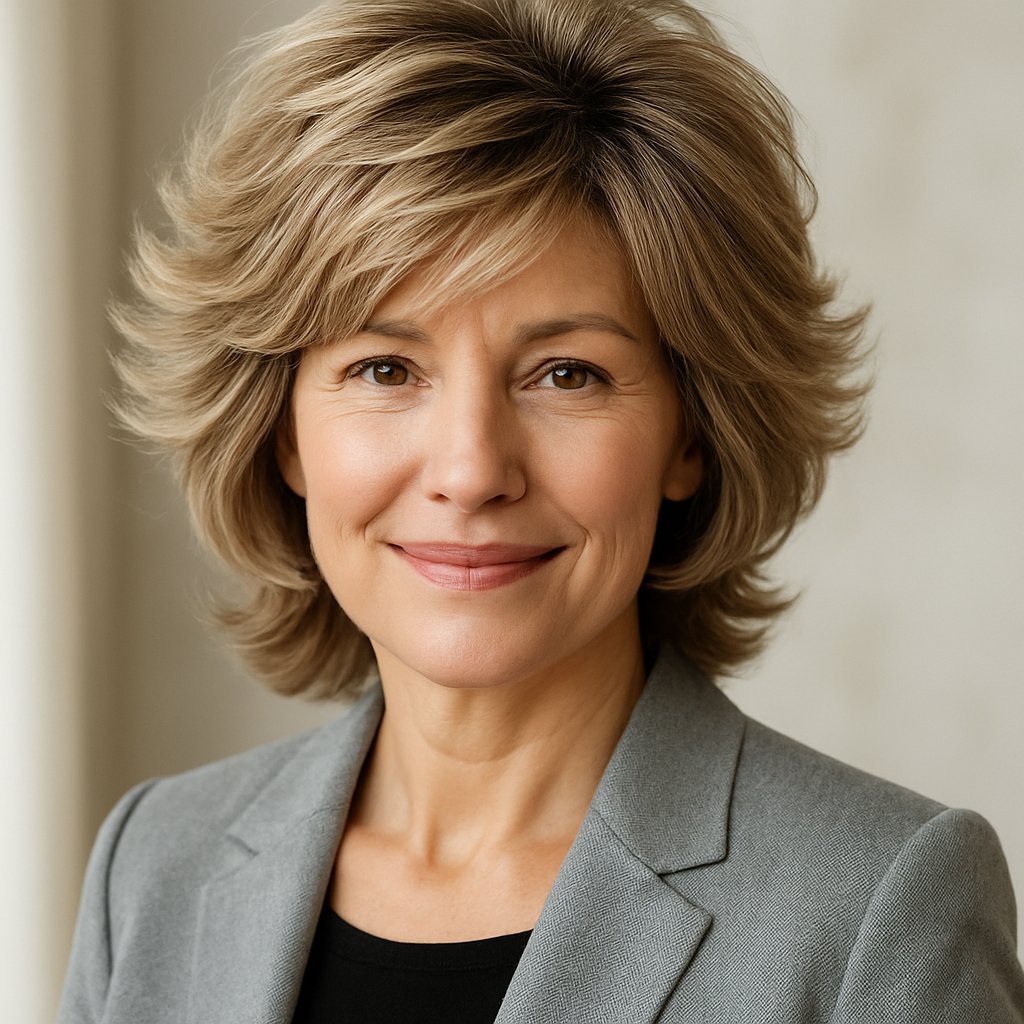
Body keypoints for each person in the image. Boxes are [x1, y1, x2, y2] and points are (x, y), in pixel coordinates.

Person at [58, 0, 1024, 1021]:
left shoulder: (880, 904)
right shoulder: (155, 863)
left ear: (689, 434)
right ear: (286, 431)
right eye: (385, 367)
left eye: (567, 373)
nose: (472, 469)